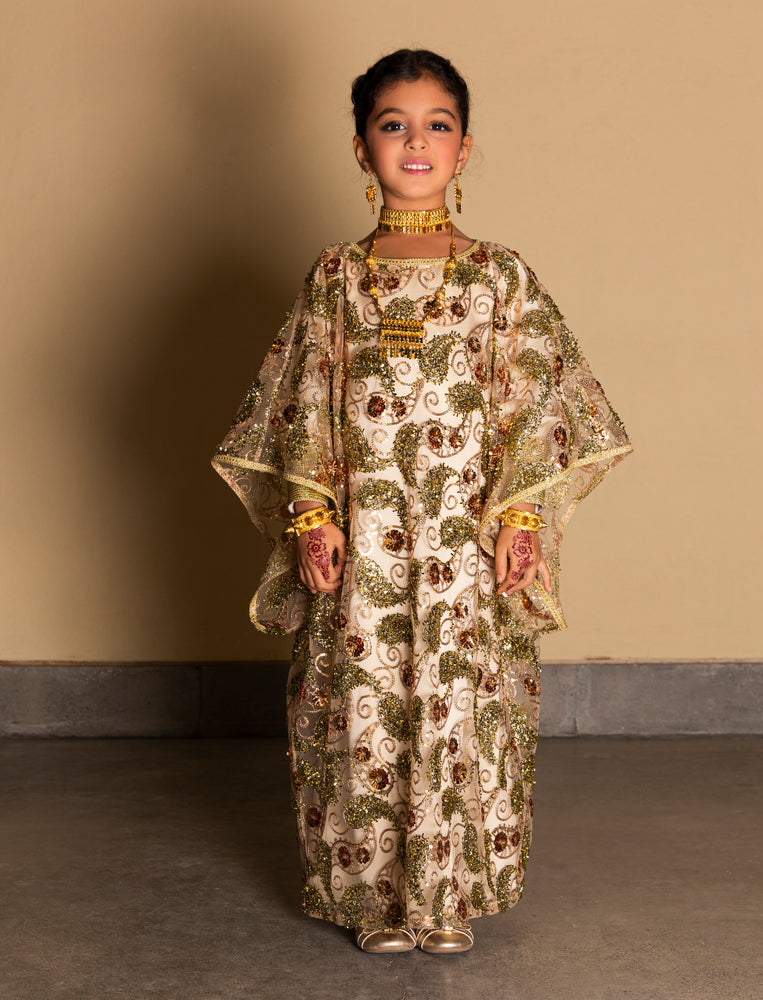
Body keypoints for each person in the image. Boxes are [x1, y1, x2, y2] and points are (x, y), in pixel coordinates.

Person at [213, 49, 631, 955]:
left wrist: (521, 519)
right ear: (362, 148)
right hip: (365, 540)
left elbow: (538, 405)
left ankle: (446, 896)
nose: (416, 141)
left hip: (459, 545)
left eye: (437, 125)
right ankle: (375, 901)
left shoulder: (499, 277)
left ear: (464, 147)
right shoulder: (336, 278)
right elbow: (301, 404)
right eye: (393, 124)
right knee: (360, 708)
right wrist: (312, 516)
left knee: (459, 705)